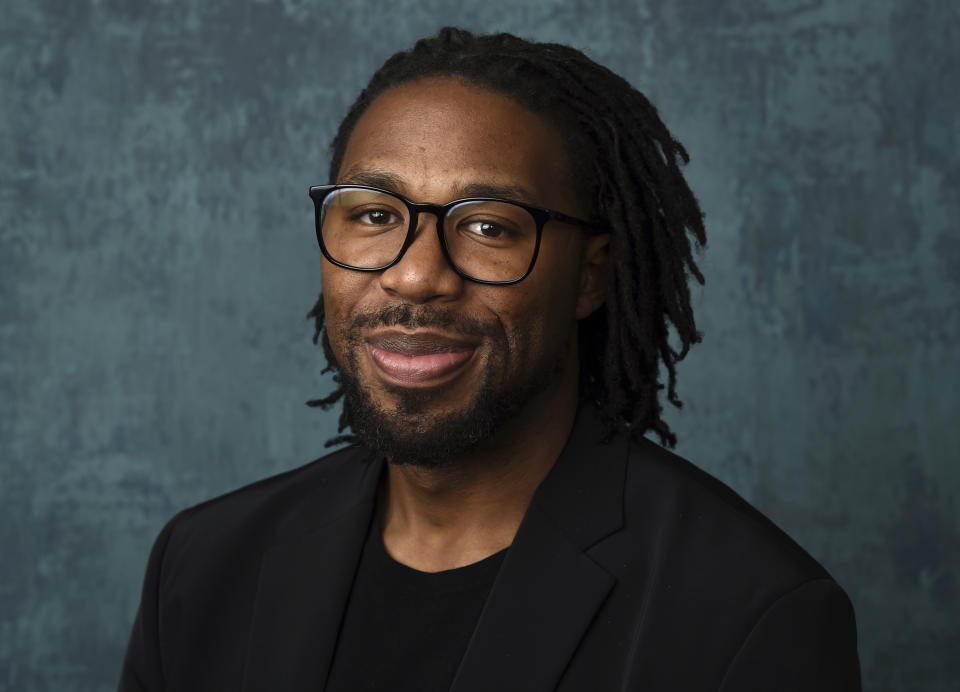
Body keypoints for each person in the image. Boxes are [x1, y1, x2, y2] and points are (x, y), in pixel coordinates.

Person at [119, 27, 861, 692]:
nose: (416, 275)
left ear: (591, 276)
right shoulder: (203, 567)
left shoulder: (752, 615)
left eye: (487, 226)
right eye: (375, 215)